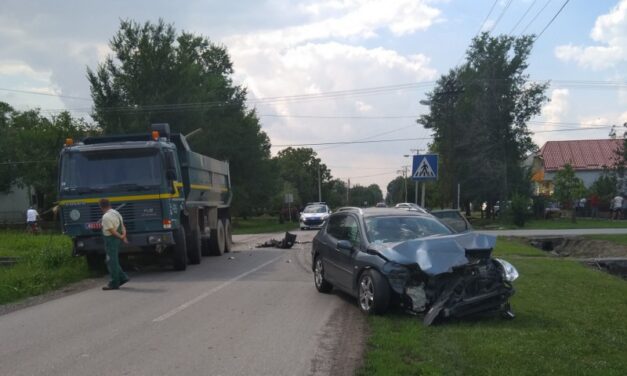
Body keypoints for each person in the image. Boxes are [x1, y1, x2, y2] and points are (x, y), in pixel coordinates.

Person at [99, 198, 129, 290]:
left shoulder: (105, 217)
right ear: (109, 204)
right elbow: (122, 226)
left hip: (111, 240)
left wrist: (121, 237)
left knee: (112, 262)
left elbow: (112, 231)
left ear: (101, 206)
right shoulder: (116, 213)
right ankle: (123, 278)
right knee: (111, 260)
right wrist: (124, 236)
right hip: (117, 239)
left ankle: (114, 283)